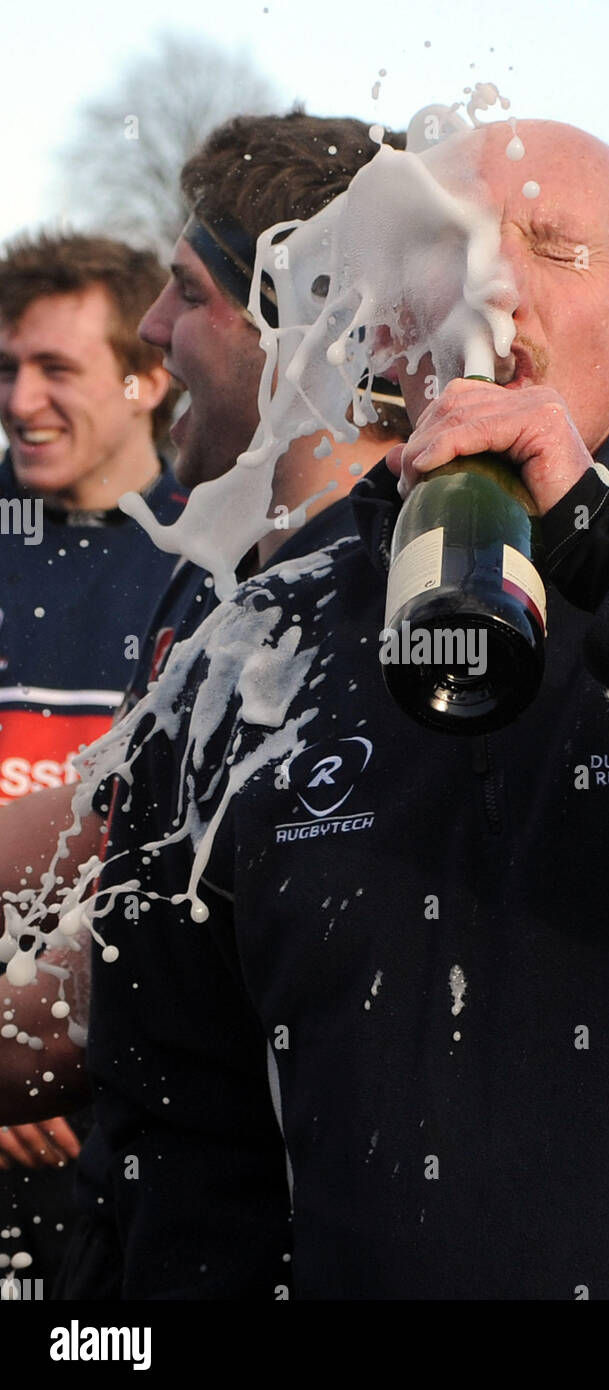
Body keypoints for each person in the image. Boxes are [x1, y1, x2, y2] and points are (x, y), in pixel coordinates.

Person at [32, 119, 609, 1301]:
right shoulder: (248, 660)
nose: (491, 278)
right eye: (450, 242)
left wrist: (596, 535)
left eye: (553, 247)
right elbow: (178, 1132)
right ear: (378, 320)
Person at [0, 111, 408, 1298]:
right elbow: (102, 831)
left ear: (308, 327)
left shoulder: (397, 596)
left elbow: (113, 997)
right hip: (136, 1245)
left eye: (186, 292)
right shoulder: (222, 575)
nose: (153, 330)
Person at [0, 232, 185, 1288]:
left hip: (126, 1131)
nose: (22, 400)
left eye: (56, 368)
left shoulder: (215, 558)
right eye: (6, 368)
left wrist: (73, 1055)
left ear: (149, 375)